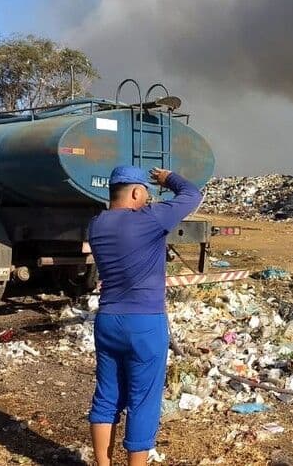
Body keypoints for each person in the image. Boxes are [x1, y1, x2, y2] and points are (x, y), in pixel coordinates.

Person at [87, 165, 203, 466]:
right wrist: (169, 179)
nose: (148, 200)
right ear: (136, 191)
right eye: (146, 194)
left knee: (107, 395)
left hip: (108, 320)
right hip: (145, 324)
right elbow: (192, 195)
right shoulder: (148, 220)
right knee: (143, 401)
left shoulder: (97, 224)